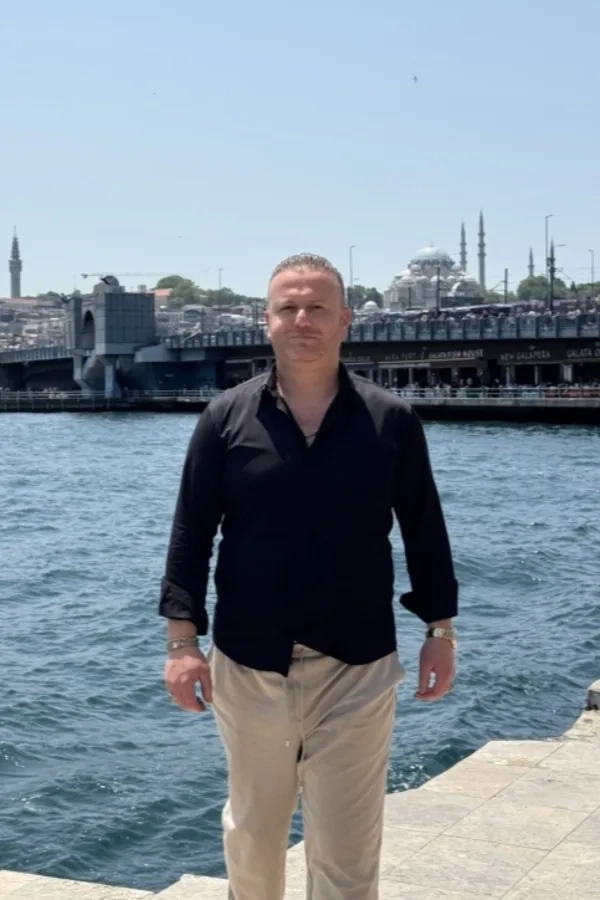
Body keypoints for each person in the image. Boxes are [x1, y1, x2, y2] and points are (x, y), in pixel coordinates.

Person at [159, 253, 458, 900]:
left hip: (357, 666)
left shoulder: (391, 421)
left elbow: (425, 531)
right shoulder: (224, 419)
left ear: (345, 320)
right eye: (287, 308)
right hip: (250, 662)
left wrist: (440, 631)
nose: (302, 319)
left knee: (348, 853)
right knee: (253, 836)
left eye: (317, 307)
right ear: (266, 322)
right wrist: (182, 644)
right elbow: (190, 534)